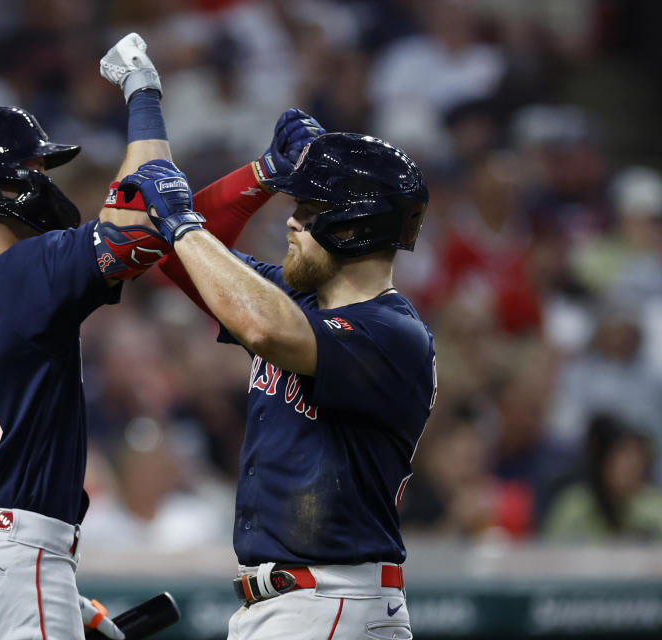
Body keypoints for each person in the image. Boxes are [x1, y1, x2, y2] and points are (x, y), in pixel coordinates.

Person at [110, 106, 436, 638]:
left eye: (307, 209)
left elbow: (262, 325)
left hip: (333, 600)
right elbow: (180, 259)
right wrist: (261, 174)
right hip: (299, 604)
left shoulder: (392, 331)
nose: (290, 220)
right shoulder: (296, 301)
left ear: (353, 225)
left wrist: (182, 221)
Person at [0, 33, 174, 640]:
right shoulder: (11, 276)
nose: (46, 182)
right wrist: (143, 93)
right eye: (36, 169)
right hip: (8, 570)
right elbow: (145, 220)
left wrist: (62, 599)